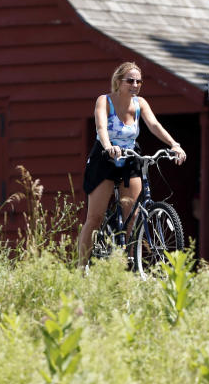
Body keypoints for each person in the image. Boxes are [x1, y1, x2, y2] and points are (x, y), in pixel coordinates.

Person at [78, 61, 186, 267]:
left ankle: (127, 261)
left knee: (134, 214)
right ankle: (81, 267)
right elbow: (101, 127)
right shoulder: (105, 101)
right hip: (105, 158)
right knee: (95, 217)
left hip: (130, 158)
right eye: (130, 81)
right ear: (118, 82)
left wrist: (174, 144)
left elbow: (154, 125)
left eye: (138, 81)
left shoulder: (140, 104)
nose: (135, 85)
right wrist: (109, 146)